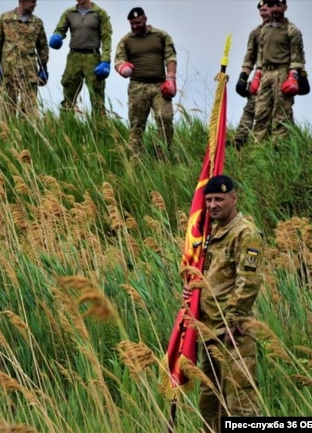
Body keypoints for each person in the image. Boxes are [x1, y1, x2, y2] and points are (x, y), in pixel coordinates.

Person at [182, 175, 264, 432]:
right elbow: (205, 273)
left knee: (241, 407)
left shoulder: (245, 233)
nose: (213, 205)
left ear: (234, 199)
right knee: (211, 404)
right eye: (209, 200)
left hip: (232, 334)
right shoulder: (210, 231)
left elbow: (248, 281)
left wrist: (233, 319)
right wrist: (191, 288)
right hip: (208, 332)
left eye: (219, 199)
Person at [114, 7, 177, 160]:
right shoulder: (126, 40)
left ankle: (163, 156)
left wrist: (171, 78)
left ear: (145, 19)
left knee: (165, 119)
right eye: (132, 24)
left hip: (160, 87)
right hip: (138, 87)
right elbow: (118, 60)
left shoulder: (160, 36)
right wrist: (123, 68)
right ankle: (136, 160)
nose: (135, 26)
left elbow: (170, 57)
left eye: (138, 23)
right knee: (137, 125)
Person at [251, 0, 306, 144]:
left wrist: (293, 77)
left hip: (282, 73)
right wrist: (257, 75)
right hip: (266, 74)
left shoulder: (292, 30)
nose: (275, 9)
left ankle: (279, 150)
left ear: (285, 7)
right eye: (272, 5)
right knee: (261, 112)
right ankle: (259, 150)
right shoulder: (265, 30)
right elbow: (260, 55)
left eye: (278, 5)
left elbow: (297, 57)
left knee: (281, 115)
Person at [49, 0, 113, 117]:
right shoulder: (69, 13)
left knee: (96, 95)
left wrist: (105, 60)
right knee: (68, 92)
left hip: (92, 57)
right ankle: (66, 125)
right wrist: (57, 36)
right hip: (74, 57)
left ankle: (99, 128)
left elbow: (106, 38)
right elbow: (60, 29)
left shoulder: (100, 13)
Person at [0, 0, 49, 115]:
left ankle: (27, 132)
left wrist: (43, 67)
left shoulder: (37, 22)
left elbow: (42, 46)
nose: (35, 5)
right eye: (32, 2)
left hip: (30, 73)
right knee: (8, 108)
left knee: (29, 109)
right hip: (9, 71)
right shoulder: (5, 19)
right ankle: (9, 132)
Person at [233, 1, 272, 150]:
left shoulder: (284, 30)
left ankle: (281, 144)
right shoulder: (256, 33)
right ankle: (239, 142)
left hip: (276, 75)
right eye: (261, 10)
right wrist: (243, 77)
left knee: (280, 113)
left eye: (266, 10)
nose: (263, 13)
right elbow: (250, 57)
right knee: (250, 108)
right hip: (259, 78)